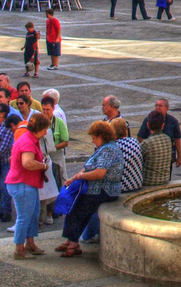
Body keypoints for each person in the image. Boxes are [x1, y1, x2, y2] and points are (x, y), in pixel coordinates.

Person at [55, 121, 123, 257]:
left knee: (80, 207)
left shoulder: (109, 150)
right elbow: (88, 166)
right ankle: (71, 240)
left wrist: (81, 176)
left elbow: (100, 173)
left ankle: (74, 242)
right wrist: (74, 178)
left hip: (105, 190)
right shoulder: (103, 148)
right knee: (72, 205)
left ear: (102, 136)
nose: (92, 141)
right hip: (95, 188)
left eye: (94, 138)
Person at [5, 111, 50, 258]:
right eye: (44, 130)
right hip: (22, 183)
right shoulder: (28, 142)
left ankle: (30, 244)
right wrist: (42, 166)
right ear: (39, 129)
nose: (45, 133)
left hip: (27, 183)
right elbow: (27, 163)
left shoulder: (29, 138)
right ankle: (19, 249)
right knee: (24, 216)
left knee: (33, 214)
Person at [0, 102, 15, 222]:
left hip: (4, 161)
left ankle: (6, 211)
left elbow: (2, 148)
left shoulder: (6, 128)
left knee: (3, 186)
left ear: (2, 114)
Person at [39, 97, 69, 190]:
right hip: (42, 154)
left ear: (53, 109)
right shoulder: (38, 121)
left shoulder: (59, 122)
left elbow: (65, 142)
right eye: (43, 110)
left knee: (60, 176)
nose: (45, 112)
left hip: (56, 154)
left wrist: (51, 147)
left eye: (48, 110)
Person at [109, 118, 144, 193]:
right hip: (137, 184)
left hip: (122, 188)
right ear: (126, 130)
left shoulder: (113, 147)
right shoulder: (134, 141)